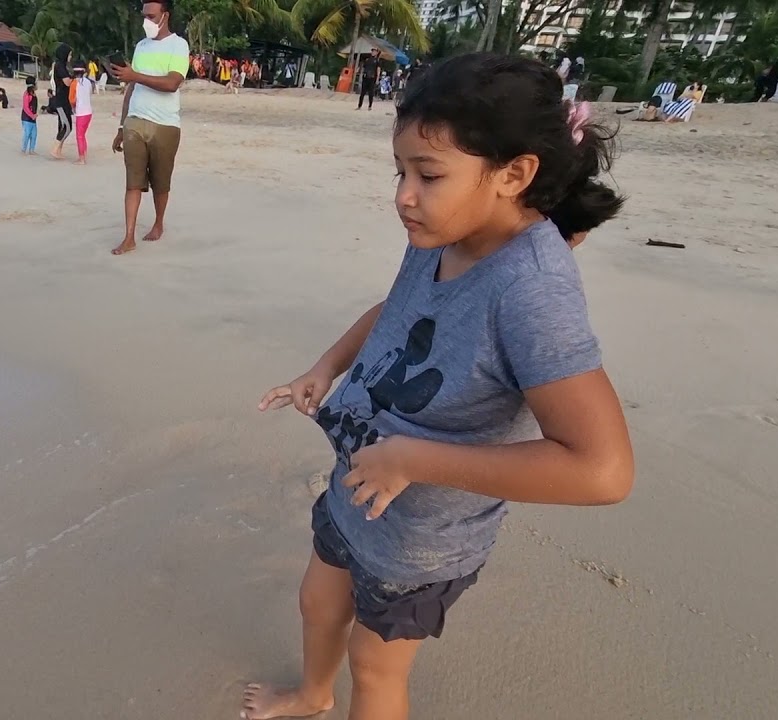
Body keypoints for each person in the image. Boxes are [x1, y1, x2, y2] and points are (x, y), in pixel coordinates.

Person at [243, 52, 633, 720]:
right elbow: (394, 311)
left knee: (376, 667)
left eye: (428, 174)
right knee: (317, 601)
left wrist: (415, 459)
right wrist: (325, 367)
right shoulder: (442, 227)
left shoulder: (531, 293)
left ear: (514, 174)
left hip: (422, 539)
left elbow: (603, 471)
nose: (403, 194)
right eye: (401, 171)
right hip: (356, 485)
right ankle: (311, 696)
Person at [109, 0, 189, 255]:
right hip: (135, 120)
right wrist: (121, 126)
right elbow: (131, 88)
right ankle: (129, 236)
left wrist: (136, 76)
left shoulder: (179, 45)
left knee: (160, 183)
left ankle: (158, 223)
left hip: (165, 124)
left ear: (165, 16)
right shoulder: (140, 47)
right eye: (144, 16)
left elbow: (172, 83)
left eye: (151, 16)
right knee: (132, 182)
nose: (147, 21)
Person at [50, 43, 75, 159]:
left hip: (63, 100)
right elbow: (67, 82)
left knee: (62, 125)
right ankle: (55, 149)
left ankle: (58, 150)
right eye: (69, 55)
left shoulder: (61, 65)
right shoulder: (60, 66)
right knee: (67, 126)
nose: (70, 57)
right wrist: (76, 76)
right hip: (61, 101)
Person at [70, 62, 95, 165]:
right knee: (83, 135)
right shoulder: (88, 82)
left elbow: (71, 99)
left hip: (81, 112)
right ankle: (83, 154)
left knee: (79, 136)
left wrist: (73, 106)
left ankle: (81, 158)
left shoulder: (74, 83)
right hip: (89, 112)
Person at [21, 81, 39, 155]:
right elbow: (25, 107)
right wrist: (32, 115)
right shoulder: (26, 94)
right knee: (27, 134)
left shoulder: (34, 94)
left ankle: (32, 149)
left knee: (34, 134)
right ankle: (24, 149)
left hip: (33, 118)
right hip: (26, 118)